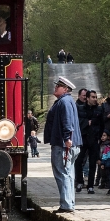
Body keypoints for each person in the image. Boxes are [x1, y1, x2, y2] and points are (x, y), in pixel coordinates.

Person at [45, 76, 81, 213]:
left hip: (63, 144)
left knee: (62, 173)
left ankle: (66, 204)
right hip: (68, 143)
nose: (55, 87)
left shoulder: (64, 102)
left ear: (65, 89)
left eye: (58, 86)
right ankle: (69, 202)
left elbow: (67, 122)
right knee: (68, 173)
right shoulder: (67, 101)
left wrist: (67, 138)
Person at [84, 90, 104, 194]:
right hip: (83, 139)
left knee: (93, 163)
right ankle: (79, 181)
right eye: (93, 97)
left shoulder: (99, 110)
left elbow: (102, 124)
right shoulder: (81, 108)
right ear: (87, 98)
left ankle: (90, 185)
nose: (95, 99)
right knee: (80, 161)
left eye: (96, 97)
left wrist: (100, 137)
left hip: (94, 140)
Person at [74, 88, 91, 191]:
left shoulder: (90, 107)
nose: (85, 97)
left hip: (90, 137)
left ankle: (88, 181)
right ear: (79, 96)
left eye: (86, 96)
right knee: (79, 160)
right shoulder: (76, 106)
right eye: (83, 95)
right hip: (80, 137)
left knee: (88, 161)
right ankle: (79, 180)